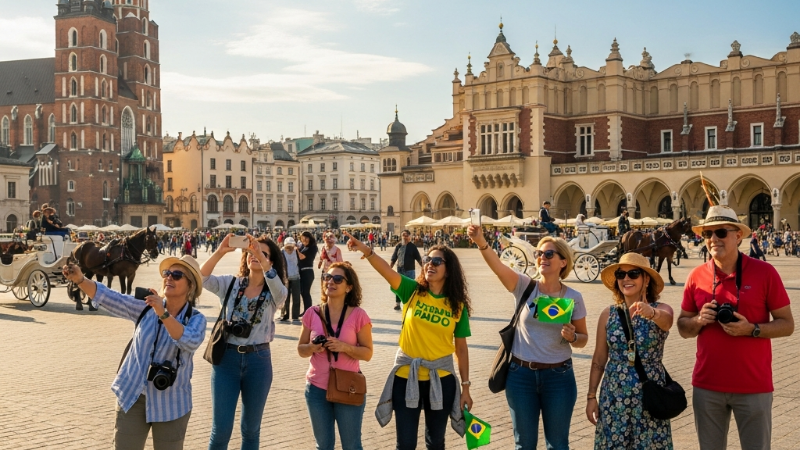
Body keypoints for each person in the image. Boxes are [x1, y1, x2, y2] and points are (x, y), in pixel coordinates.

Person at [677, 205, 794, 450]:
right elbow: (682, 328)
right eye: (707, 234)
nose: (712, 239)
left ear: (738, 236)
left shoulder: (765, 272)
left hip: (753, 386)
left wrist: (752, 329)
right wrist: (699, 321)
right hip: (707, 386)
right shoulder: (696, 276)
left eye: (720, 232)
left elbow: (787, 325)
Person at [61, 255, 207, 450]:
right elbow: (109, 297)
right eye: (167, 273)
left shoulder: (196, 319)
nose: (169, 278)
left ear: (190, 286)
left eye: (177, 275)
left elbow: (188, 340)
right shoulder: (147, 307)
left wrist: (162, 314)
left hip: (172, 401)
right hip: (133, 395)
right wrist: (80, 279)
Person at [343, 231, 473, 450]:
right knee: (405, 443)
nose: (430, 264)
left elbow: (461, 349)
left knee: (435, 442)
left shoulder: (457, 306)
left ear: (448, 269)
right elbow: (386, 270)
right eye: (427, 260)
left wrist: (466, 387)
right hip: (405, 376)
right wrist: (365, 249)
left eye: (437, 261)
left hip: (441, 378)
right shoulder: (412, 291)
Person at [467, 226, 587, 450]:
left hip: (558, 377)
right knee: (524, 444)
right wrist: (481, 242)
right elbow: (498, 267)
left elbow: (584, 339)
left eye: (549, 254)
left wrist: (573, 337)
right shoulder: (524, 285)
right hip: (520, 376)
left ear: (563, 262)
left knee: (558, 444)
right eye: (539, 253)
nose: (542, 257)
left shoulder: (573, 297)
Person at [200, 233, 287, 450]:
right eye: (251, 251)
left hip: (258, 361)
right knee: (220, 431)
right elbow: (200, 278)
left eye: (262, 252)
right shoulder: (230, 283)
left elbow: (283, 292)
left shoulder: (273, 291)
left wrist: (259, 254)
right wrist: (220, 252)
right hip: (226, 360)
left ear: (271, 261)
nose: (255, 254)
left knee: (250, 430)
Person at [587, 252, 674, 449]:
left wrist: (651, 312)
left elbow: (667, 321)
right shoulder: (608, 314)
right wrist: (591, 397)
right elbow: (599, 359)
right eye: (621, 274)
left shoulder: (661, 308)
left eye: (633, 273)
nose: (626, 278)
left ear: (646, 279)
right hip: (614, 396)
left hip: (649, 396)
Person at [298, 262, 374, 450]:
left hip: (348, 387)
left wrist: (345, 347)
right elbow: (300, 349)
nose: (330, 282)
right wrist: (312, 348)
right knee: (323, 446)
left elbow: (368, 353)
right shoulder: (312, 313)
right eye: (327, 277)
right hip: (316, 389)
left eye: (337, 279)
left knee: (351, 445)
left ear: (349, 287)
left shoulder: (359, 315)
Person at [390, 230, 422, 311]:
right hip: (400, 270)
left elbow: (418, 258)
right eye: (403, 235)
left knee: (410, 287)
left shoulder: (412, 247)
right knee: (398, 286)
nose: (404, 237)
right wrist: (389, 268)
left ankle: (410, 303)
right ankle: (397, 303)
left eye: (406, 235)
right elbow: (394, 258)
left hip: (410, 270)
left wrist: (424, 267)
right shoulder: (398, 246)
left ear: (409, 237)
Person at [297, 231, 319, 316]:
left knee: (306, 292)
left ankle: (309, 311)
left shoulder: (313, 247)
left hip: (308, 272)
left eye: (306, 238)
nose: (304, 240)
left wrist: (296, 250)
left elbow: (301, 257)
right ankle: (306, 310)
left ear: (310, 238)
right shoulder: (303, 247)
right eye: (302, 238)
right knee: (303, 292)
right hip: (301, 271)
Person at [281, 237, 303, 322]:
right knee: (285, 297)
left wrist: (297, 248)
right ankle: (285, 315)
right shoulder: (282, 251)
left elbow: (302, 256)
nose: (290, 247)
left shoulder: (296, 251)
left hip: (296, 276)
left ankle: (295, 316)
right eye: (288, 245)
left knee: (296, 297)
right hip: (285, 277)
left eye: (291, 245)